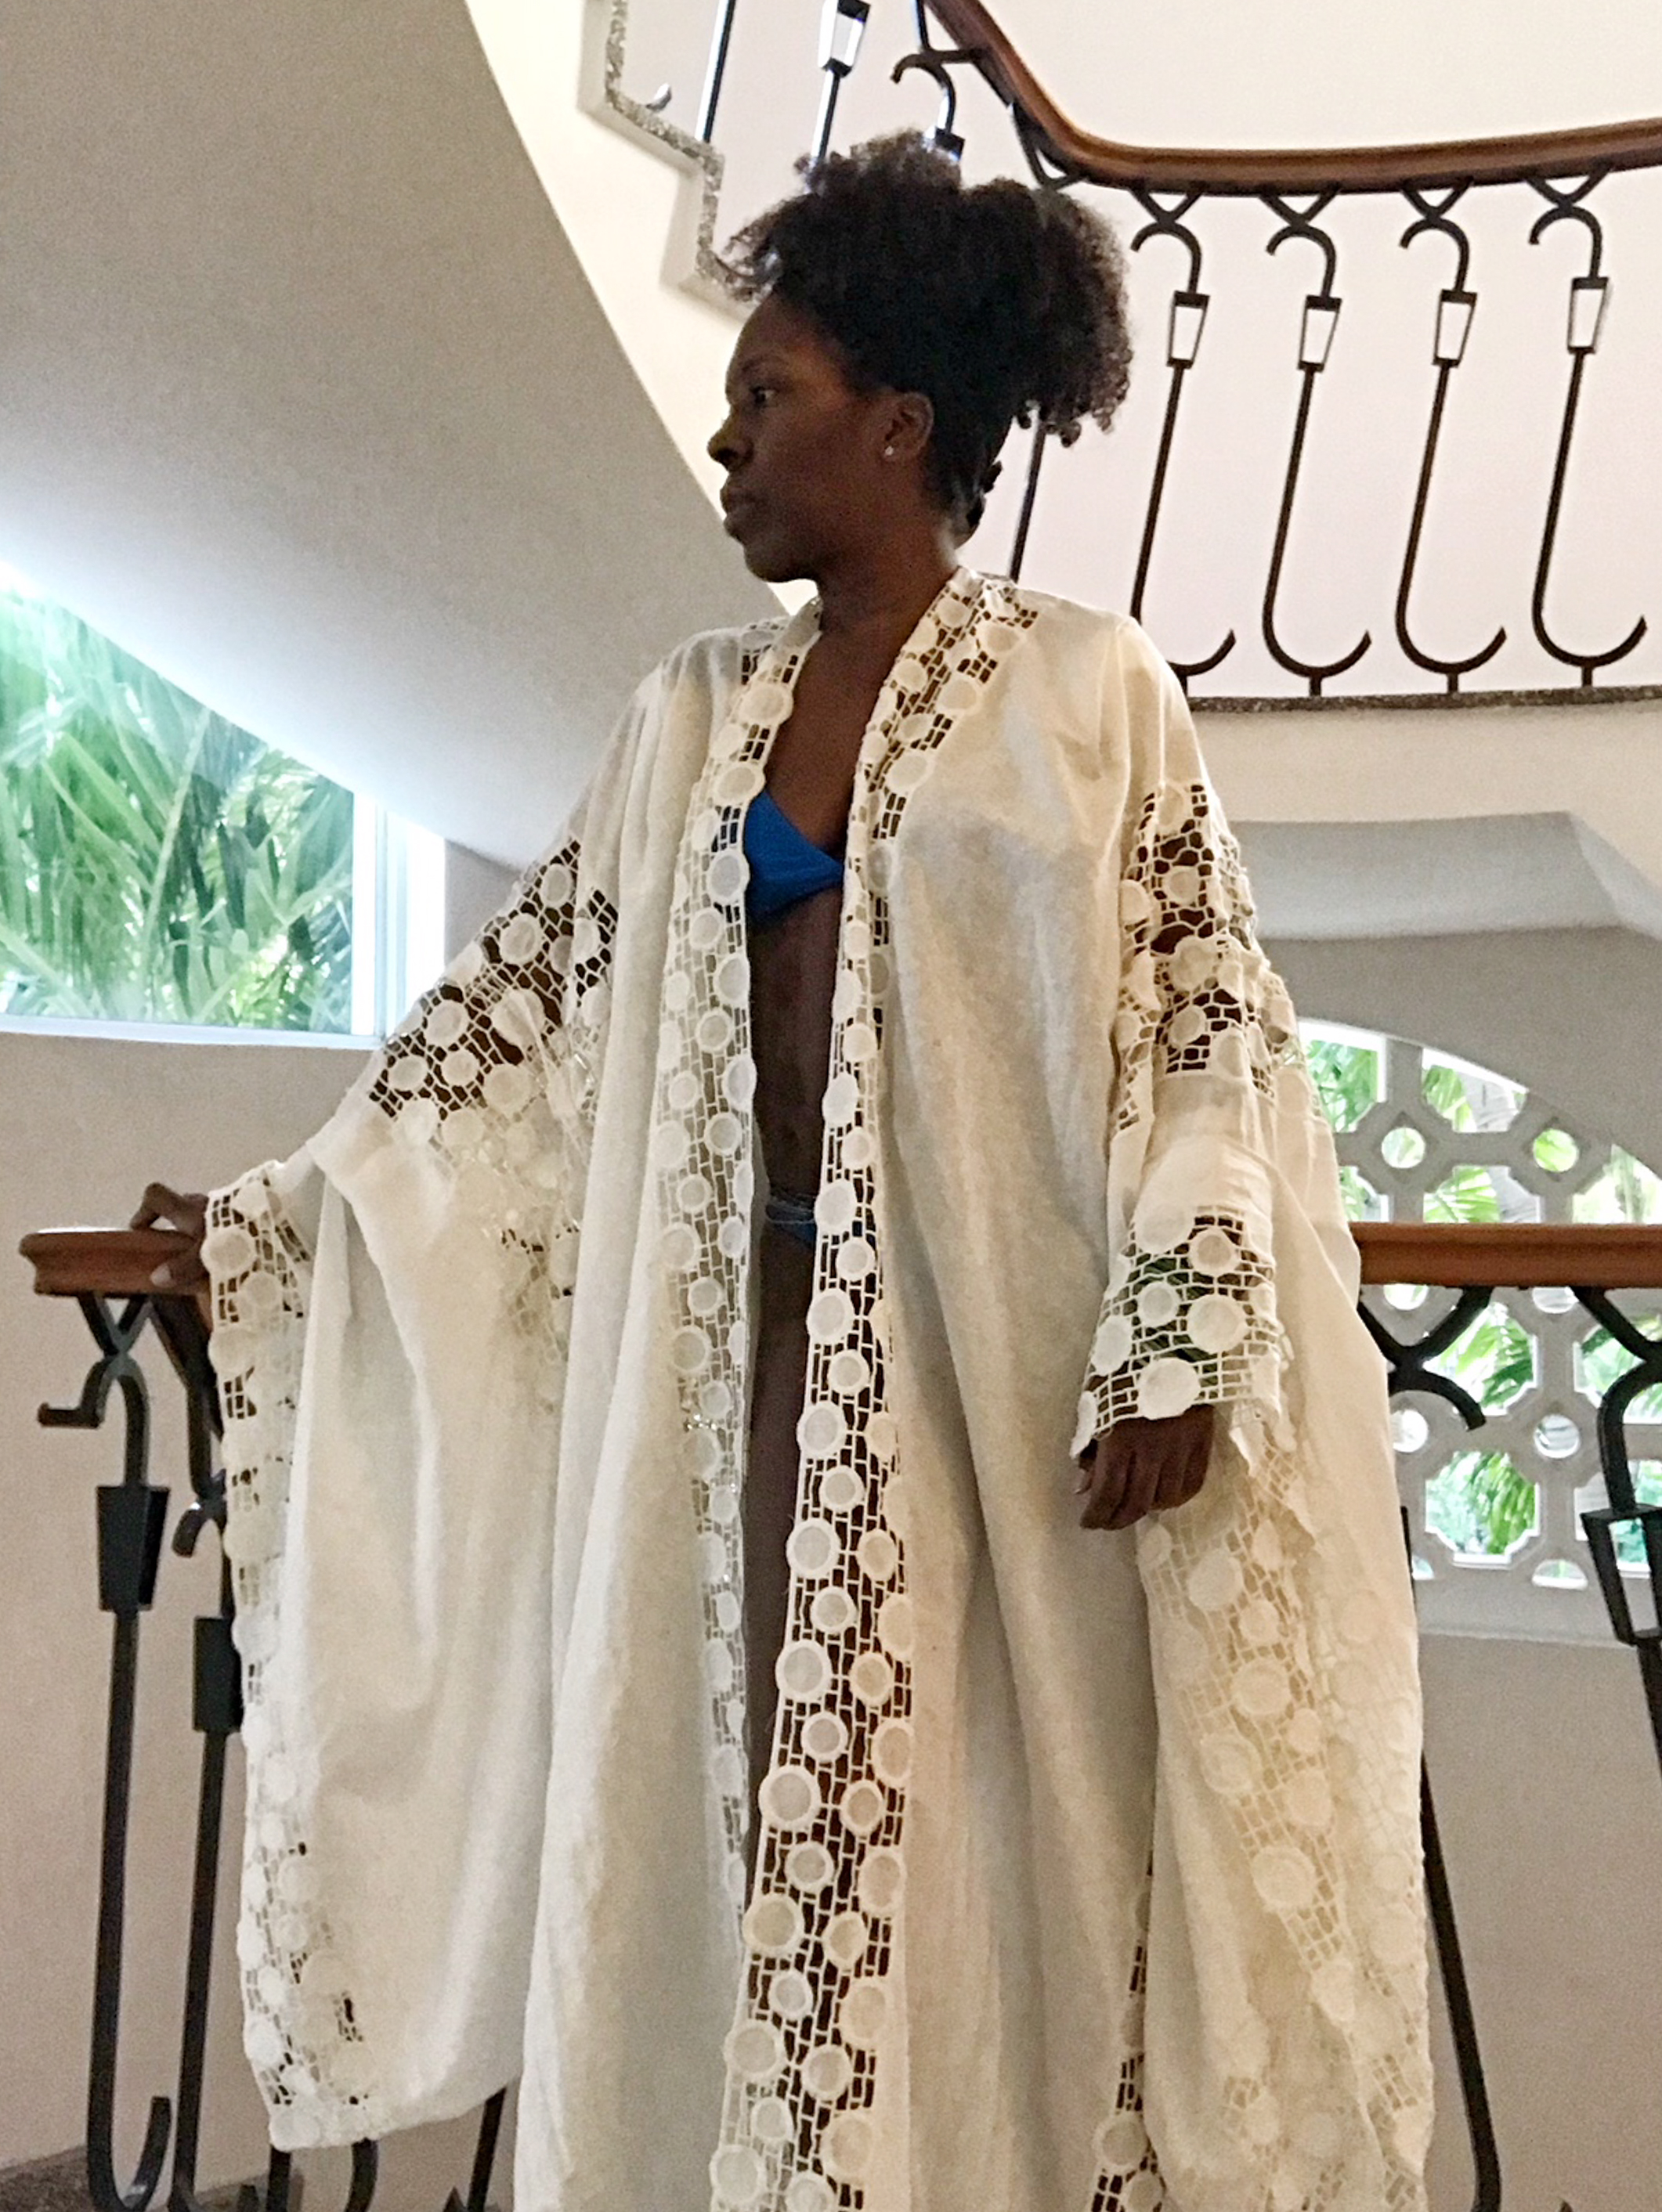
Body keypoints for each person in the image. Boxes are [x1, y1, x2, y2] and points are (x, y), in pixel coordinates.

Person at [135, 135, 1431, 2212]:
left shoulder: (1087, 693)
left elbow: (1208, 1024)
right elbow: (508, 1027)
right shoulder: (688, 716)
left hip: (999, 1390)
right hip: (732, 1370)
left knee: (989, 1847)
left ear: (899, 425)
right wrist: (279, 1219)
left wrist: (1184, 1323)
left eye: (768, 396)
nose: (727, 441)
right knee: (725, 1797)